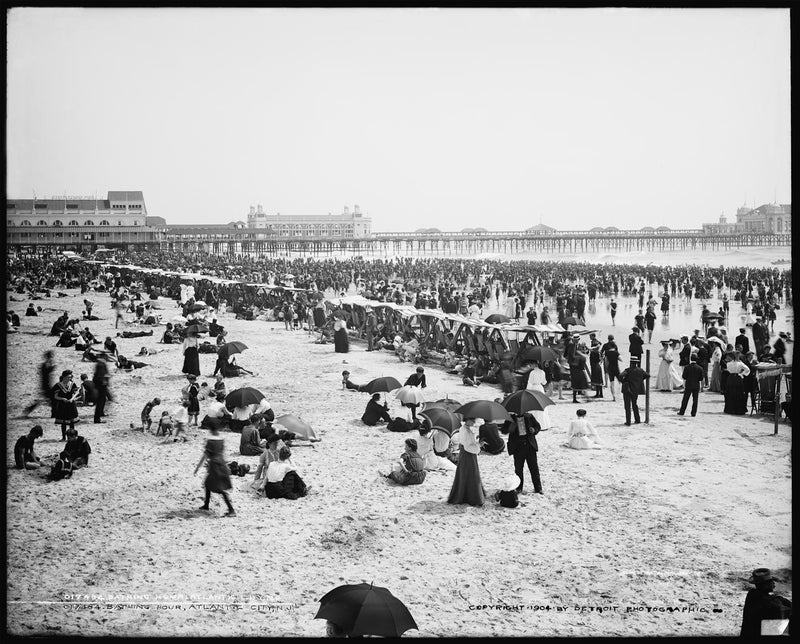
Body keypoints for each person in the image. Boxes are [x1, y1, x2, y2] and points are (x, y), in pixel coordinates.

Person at [194, 426, 236, 517]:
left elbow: (205, 456)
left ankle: (231, 509)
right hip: (221, 464)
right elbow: (223, 454)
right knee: (208, 484)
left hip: (215, 465)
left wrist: (197, 467)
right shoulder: (221, 440)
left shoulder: (210, 441)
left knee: (218, 488)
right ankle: (206, 505)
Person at [740, 568, 792, 637]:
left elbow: (776, 598)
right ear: (765, 585)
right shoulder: (771, 604)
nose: (773, 583)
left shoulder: (752, 594)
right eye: (770, 581)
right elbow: (782, 609)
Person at [500, 411, 543, 495]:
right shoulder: (510, 418)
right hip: (517, 447)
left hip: (530, 446)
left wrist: (534, 430)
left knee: (534, 468)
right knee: (518, 469)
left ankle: (538, 488)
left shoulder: (529, 416)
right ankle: (519, 488)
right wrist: (511, 426)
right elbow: (503, 430)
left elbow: (538, 426)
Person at [447, 418, 486, 506]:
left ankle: (467, 495)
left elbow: (468, 443)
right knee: (471, 475)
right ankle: (473, 497)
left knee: (468, 474)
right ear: (467, 420)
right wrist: (479, 445)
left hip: (468, 454)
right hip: (468, 454)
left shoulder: (466, 429)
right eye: (472, 420)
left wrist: (477, 443)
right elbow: (467, 446)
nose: (473, 422)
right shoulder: (465, 430)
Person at [25, 350, 57, 417]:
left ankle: (28, 410)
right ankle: (54, 414)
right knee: (53, 400)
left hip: (45, 385)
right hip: (46, 386)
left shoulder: (44, 364)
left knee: (44, 401)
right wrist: (52, 367)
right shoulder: (45, 365)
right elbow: (46, 373)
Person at [51, 370, 80, 440]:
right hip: (63, 405)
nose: (70, 378)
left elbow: (76, 393)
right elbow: (55, 396)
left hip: (71, 404)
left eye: (70, 377)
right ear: (63, 377)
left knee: (71, 422)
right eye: (68, 377)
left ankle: (72, 437)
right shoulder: (58, 385)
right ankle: (64, 437)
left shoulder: (72, 384)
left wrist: (72, 398)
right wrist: (62, 399)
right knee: (63, 422)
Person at [524, 361, 553, 429]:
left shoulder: (532, 372)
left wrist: (527, 391)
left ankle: (534, 424)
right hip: (540, 388)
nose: (530, 365)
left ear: (534, 364)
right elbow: (544, 382)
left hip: (534, 388)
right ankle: (544, 425)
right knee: (541, 405)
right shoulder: (542, 372)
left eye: (531, 364)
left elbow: (530, 383)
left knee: (534, 406)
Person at [619, 357, 646, 426]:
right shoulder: (640, 370)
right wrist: (640, 380)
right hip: (635, 390)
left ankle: (628, 422)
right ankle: (637, 419)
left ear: (631, 362)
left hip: (627, 390)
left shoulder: (628, 370)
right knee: (635, 405)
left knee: (627, 406)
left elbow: (620, 376)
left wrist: (624, 382)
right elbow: (647, 375)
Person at [600, 335, 621, 402]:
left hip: (609, 366)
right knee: (620, 381)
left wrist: (602, 358)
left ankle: (613, 396)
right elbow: (620, 358)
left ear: (608, 339)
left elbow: (601, 352)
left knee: (611, 381)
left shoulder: (605, 346)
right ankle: (619, 394)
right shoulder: (615, 349)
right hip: (616, 367)